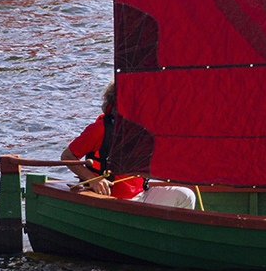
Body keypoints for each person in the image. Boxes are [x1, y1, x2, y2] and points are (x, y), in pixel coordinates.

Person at [61, 83, 195, 208]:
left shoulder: (143, 130)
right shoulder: (100, 129)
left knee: (185, 196)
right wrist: (93, 180)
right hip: (111, 198)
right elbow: (67, 156)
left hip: (140, 195)